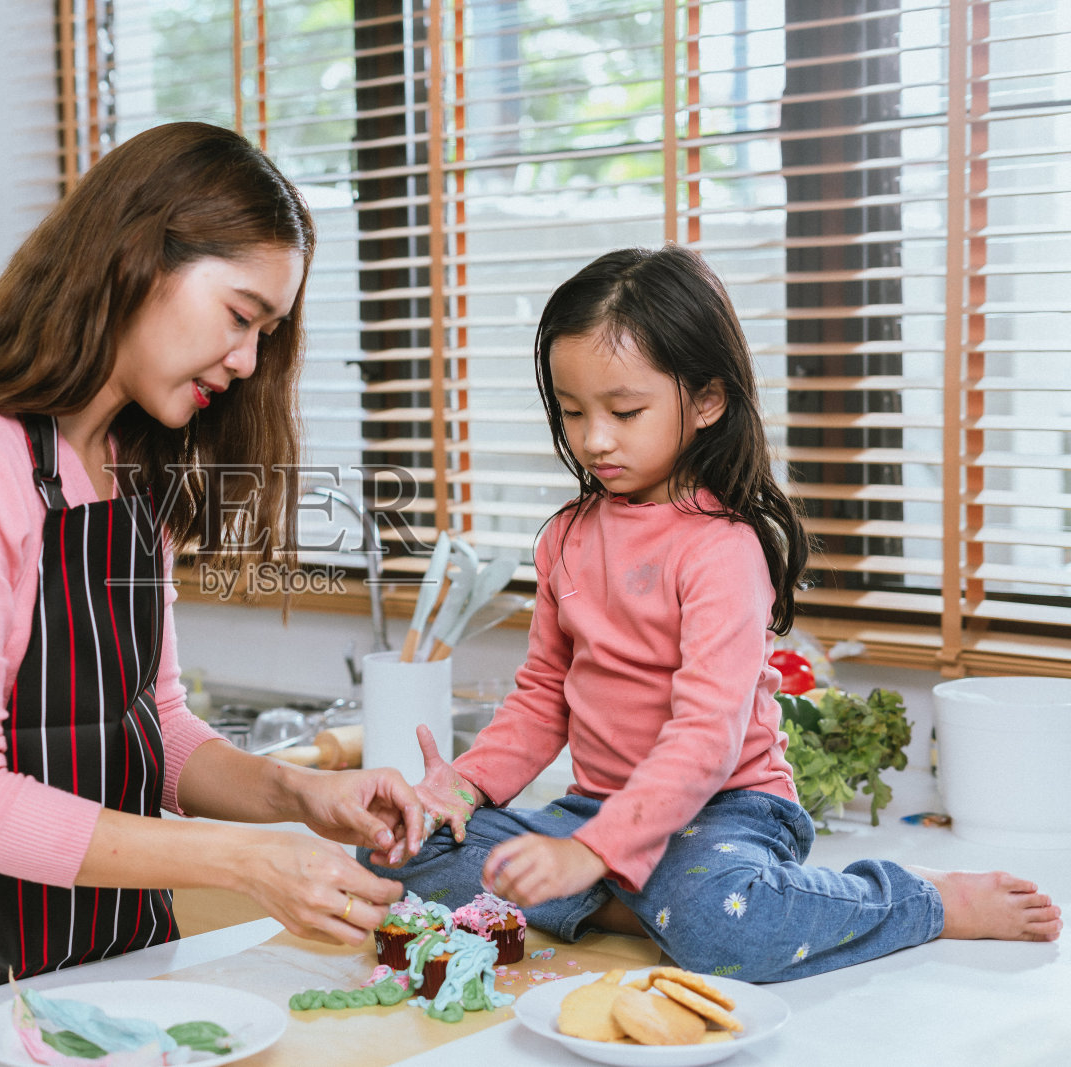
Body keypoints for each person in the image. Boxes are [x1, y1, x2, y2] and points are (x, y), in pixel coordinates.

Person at [363, 244, 1062, 982]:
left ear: (706, 400)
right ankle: (644, 903)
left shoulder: (721, 550)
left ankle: (917, 900)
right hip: (600, 807)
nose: (594, 437)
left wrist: (591, 853)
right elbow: (543, 696)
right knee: (396, 850)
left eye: (624, 410)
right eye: (573, 411)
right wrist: (463, 787)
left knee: (726, 931)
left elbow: (706, 737)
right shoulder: (568, 536)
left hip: (728, 811)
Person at [0, 122, 424, 1016]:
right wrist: (246, 860)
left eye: (266, 333)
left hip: (123, 963)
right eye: (240, 316)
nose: (247, 361)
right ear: (138, 259)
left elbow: (151, 727)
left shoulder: (129, 466)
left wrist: (297, 795)